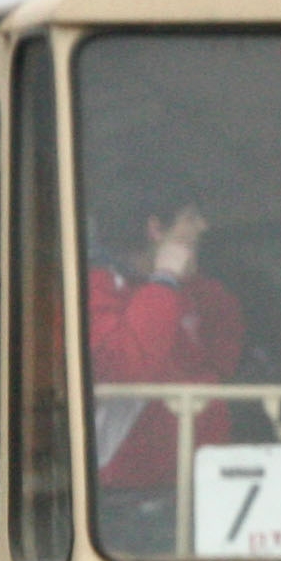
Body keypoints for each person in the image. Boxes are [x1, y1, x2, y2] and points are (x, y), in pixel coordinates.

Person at [86, 182, 246, 528]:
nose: (202, 227)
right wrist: (163, 279)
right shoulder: (98, 288)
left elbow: (223, 362)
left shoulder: (201, 294)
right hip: (129, 497)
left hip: (200, 484)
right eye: (190, 217)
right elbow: (126, 367)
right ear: (156, 229)